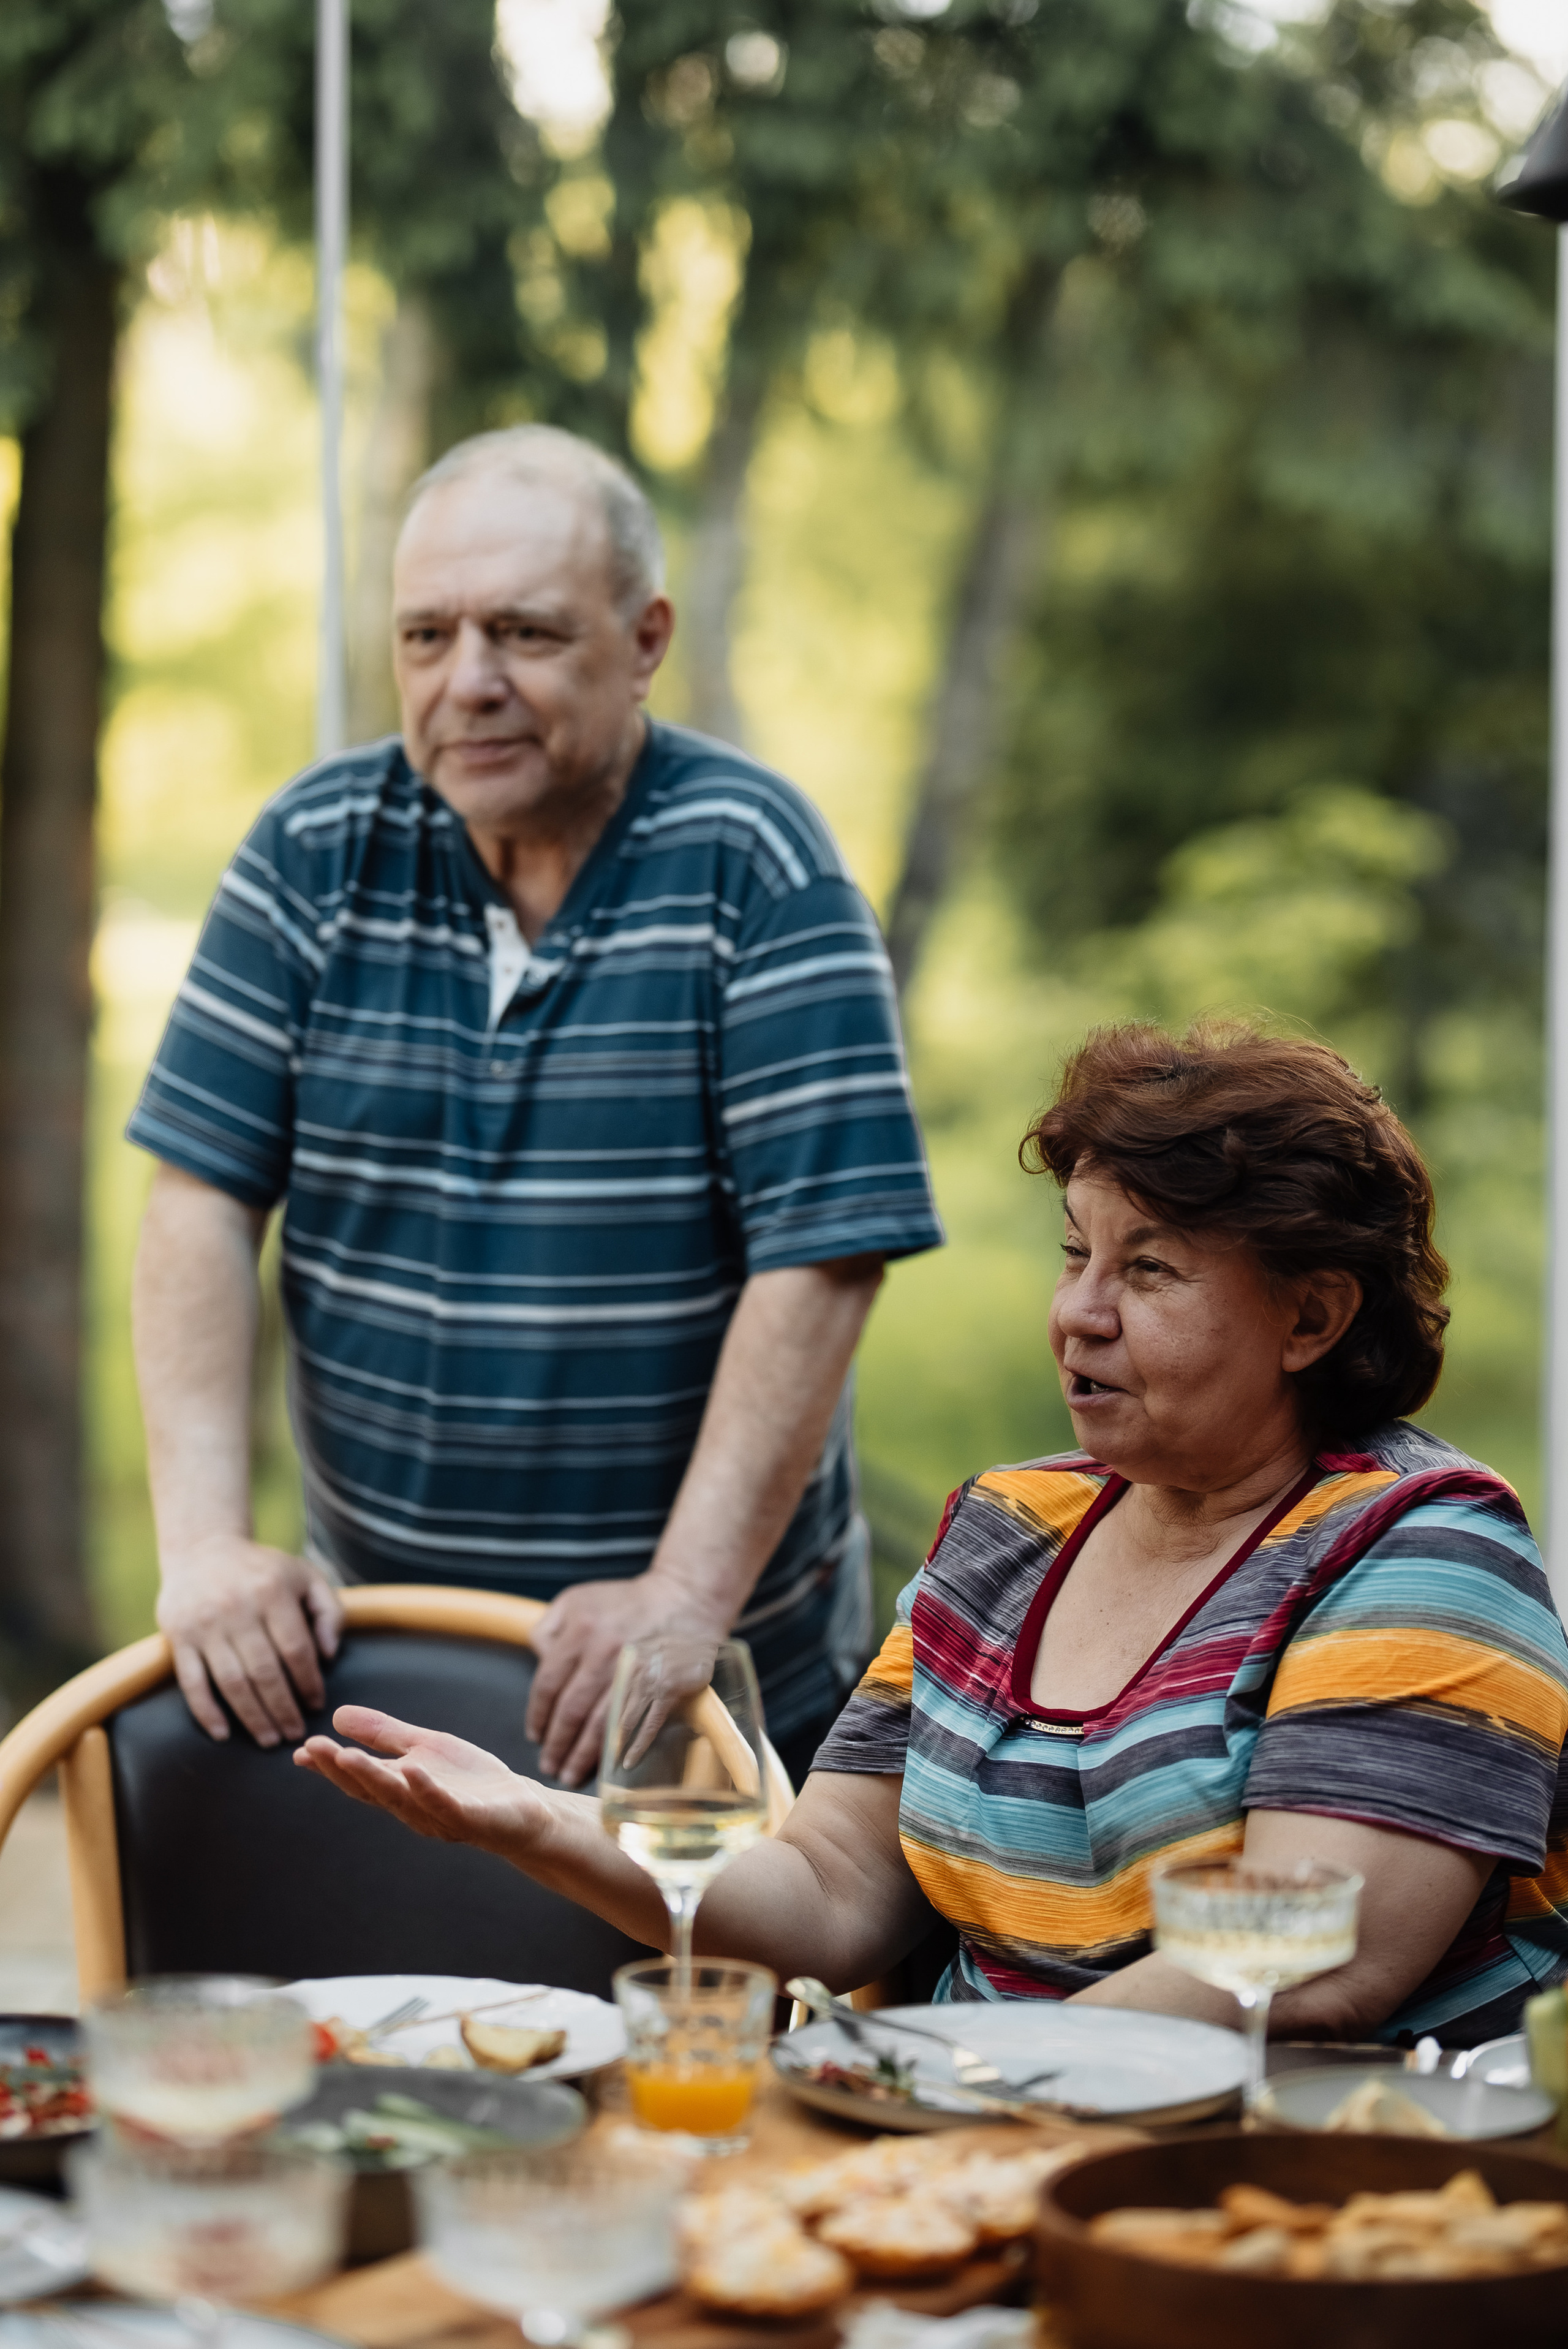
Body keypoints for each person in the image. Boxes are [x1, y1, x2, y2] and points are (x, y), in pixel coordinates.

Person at [297, 1020, 1568, 2046]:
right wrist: (537, 1820)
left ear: (1311, 1319)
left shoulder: (1421, 1559)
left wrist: (950, 2086)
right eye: (1074, 1254)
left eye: (1148, 1270)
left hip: (1290, 2199)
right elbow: (830, 1894)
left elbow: (1305, 1969)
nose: (1078, 1313)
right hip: (973, 2147)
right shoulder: (1008, 1531)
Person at [128, 424, 943, 1790]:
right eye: (427, 636)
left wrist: (684, 1596)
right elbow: (199, 1200)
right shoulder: (310, 854)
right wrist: (206, 1545)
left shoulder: (760, 870)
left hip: (697, 1690)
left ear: (644, 639)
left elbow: (822, 1262)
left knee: (687, 2012)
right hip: (382, 1668)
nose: (469, 683)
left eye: (523, 633)